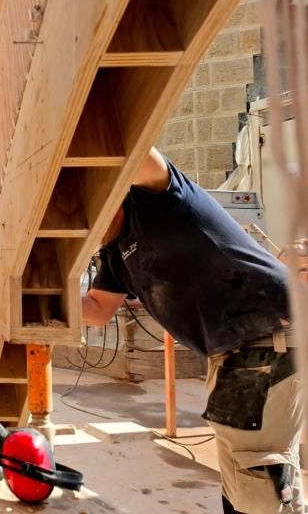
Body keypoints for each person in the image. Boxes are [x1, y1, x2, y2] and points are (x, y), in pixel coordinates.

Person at [82, 147, 302, 513]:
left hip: (267, 332)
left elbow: (131, 147)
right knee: (241, 472)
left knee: (260, 476)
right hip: (233, 351)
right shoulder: (114, 252)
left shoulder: (158, 195)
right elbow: (97, 309)